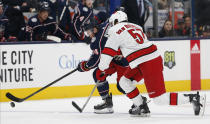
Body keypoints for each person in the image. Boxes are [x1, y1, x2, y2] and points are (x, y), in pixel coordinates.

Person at [97, 11, 205, 116]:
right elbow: (134, 44)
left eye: (112, 23)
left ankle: (193, 98)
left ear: (116, 21)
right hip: (145, 60)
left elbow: (108, 52)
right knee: (124, 81)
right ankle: (141, 106)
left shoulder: (114, 30)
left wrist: (102, 68)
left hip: (147, 62)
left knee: (159, 99)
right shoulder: (135, 26)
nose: (111, 25)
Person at [77, 11, 134, 114]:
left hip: (123, 60)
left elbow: (96, 61)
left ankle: (139, 101)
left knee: (122, 86)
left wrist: (84, 66)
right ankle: (107, 102)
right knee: (98, 74)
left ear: (94, 28)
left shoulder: (98, 40)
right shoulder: (104, 26)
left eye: (88, 32)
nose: (88, 35)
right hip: (114, 60)